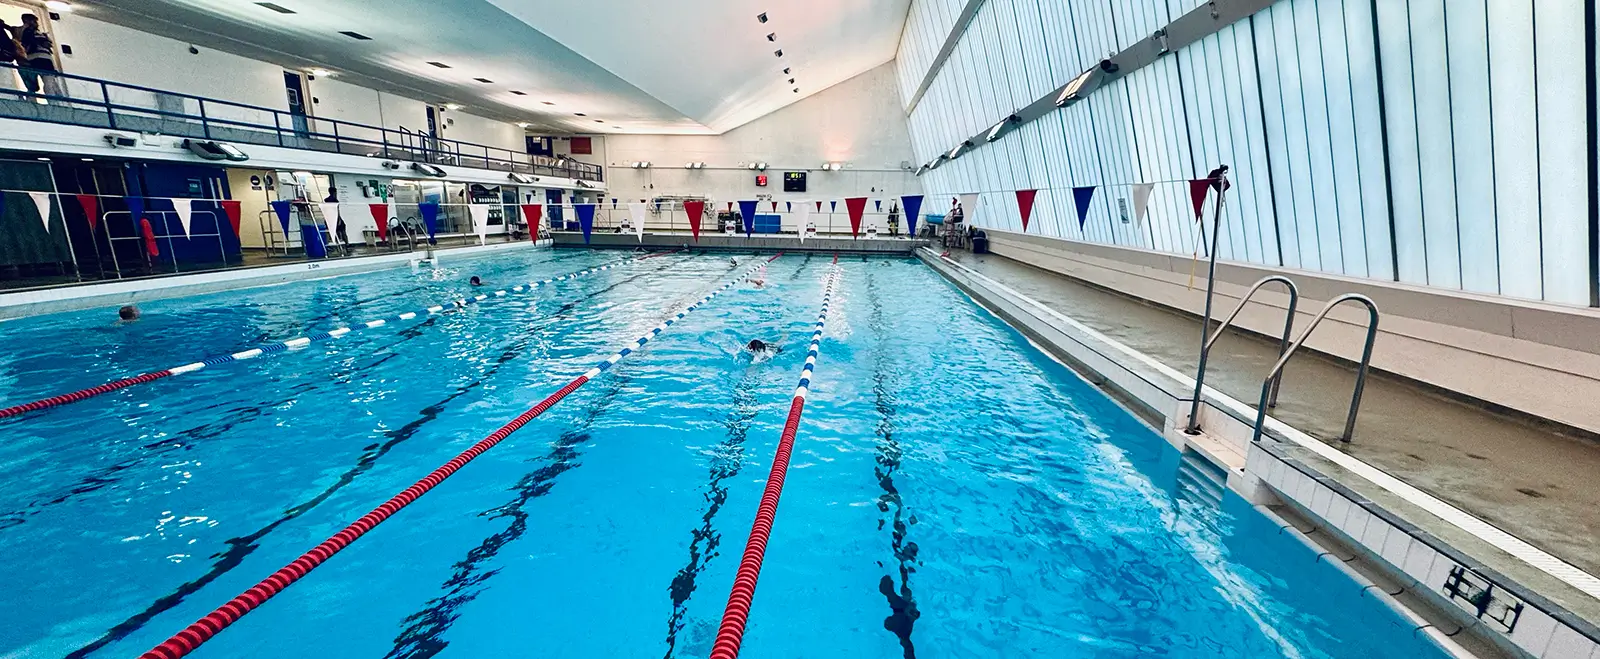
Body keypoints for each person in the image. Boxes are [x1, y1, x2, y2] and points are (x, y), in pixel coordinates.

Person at [10, 14, 61, 99]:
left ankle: (52, 102)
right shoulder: (21, 31)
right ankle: (37, 102)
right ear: (27, 21)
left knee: (48, 82)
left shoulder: (40, 34)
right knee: (34, 84)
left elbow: (48, 45)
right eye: (34, 21)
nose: (36, 24)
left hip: (42, 58)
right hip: (33, 58)